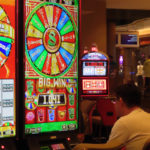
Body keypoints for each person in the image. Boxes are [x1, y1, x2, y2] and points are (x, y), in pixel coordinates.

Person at [107, 83, 150, 150]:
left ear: (120, 101)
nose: (114, 104)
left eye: (114, 101)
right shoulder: (148, 116)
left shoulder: (124, 122)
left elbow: (109, 149)